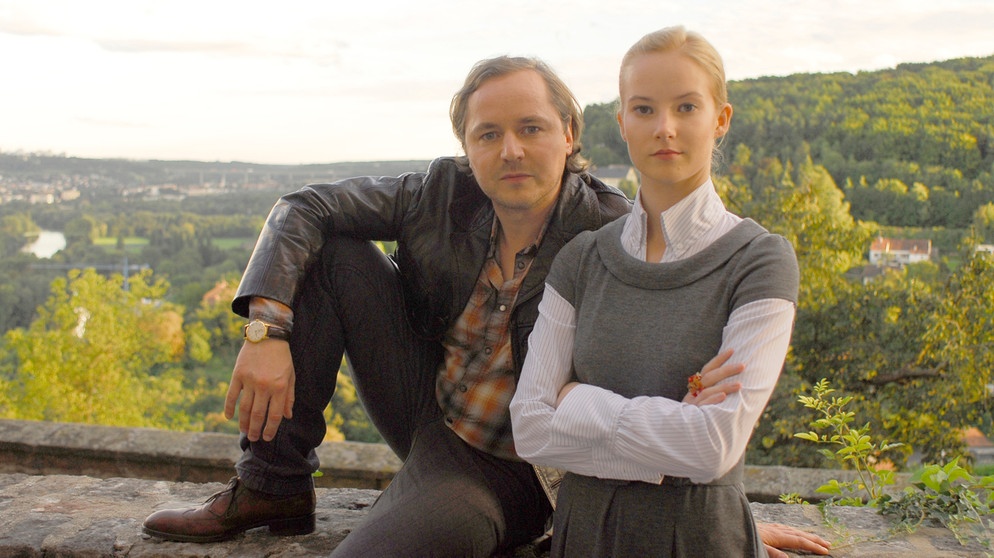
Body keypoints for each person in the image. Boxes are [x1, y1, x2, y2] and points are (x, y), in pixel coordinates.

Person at [142, 54, 829, 557]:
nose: (511, 150)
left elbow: (683, 375)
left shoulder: (616, 234)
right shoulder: (439, 193)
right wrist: (265, 329)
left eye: (531, 128)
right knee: (333, 251)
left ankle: (478, 519)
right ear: (467, 148)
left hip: (518, 469)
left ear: (569, 134)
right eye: (487, 134)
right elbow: (305, 205)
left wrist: (717, 516)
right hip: (427, 407)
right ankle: (273, 485)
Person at [510, 26, 817, 558]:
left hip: (699, 540)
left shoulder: (759, 261)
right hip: (583, 539)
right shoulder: (582, 260)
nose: (665, 128)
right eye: (645, 109)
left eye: (687, 107)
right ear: (623, 123)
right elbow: (532, 431)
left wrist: (578, 401)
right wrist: (675, 427)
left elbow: (712, 448)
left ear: (720, 120)